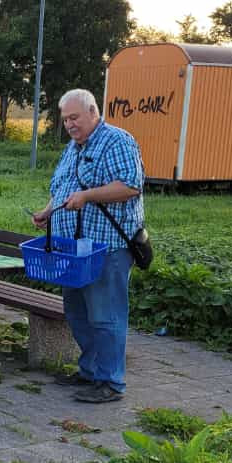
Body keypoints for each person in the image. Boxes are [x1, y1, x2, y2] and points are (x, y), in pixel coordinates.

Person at [31, 88, 145, 404]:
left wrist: (88, 196)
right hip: (73, 249)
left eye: (75, 117)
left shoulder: (117, 141)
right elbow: (63, 188)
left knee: (105, 317)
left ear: (93, 112)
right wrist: (47, 211)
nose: (69, 124)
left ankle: (110, 382)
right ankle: (91, 370)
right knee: (77, 313)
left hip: (106, 248)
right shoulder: (72, 148)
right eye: (65, 119)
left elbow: (130, 186)